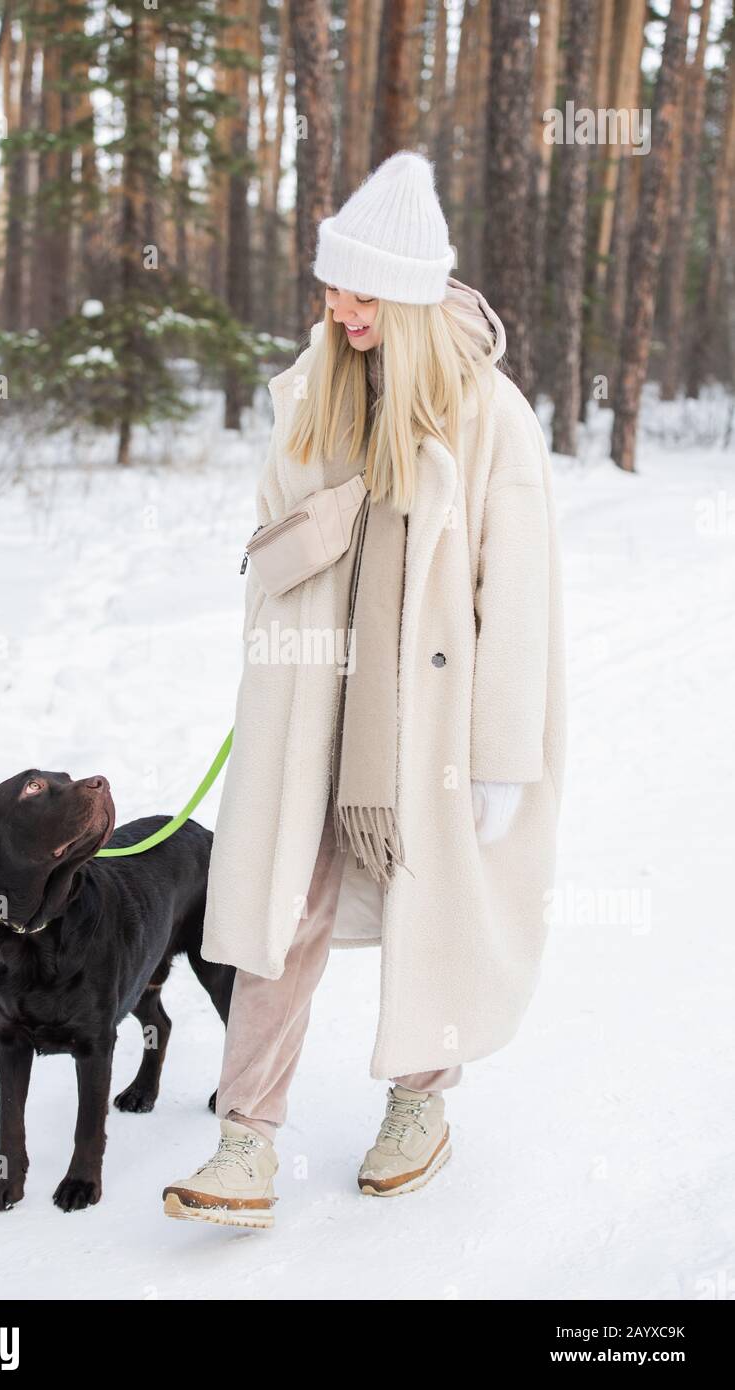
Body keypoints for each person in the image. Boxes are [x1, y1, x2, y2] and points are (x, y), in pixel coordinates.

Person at [163, 152, 566, 1229]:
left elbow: (517, 599)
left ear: (409, 296)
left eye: (359, 291)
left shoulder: (490, 419)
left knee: (430, 906)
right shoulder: (316, 391)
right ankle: (245, 1136)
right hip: (315, 705)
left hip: (426, 725)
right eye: (331, 286)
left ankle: (419, 1106)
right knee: (278, 909)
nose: (337, 307)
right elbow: (270, 540)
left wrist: (500, 756)